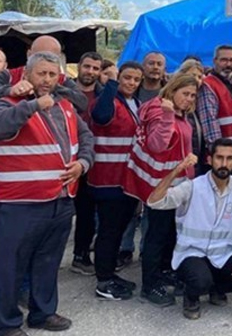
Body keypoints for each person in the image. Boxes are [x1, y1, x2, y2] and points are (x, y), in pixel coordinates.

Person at [0, 51, 95, 334]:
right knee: (8, 266)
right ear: (27, 74)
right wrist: (33, 105)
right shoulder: (6, 103)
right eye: (42, 74)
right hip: (18, 202)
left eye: (53, 74)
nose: (48, 80)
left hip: (60, 198)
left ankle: (43, 313)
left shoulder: (64, 105)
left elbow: (86, 137)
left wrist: (83, 163)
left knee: (47, 262)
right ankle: (3, 324)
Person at [147, 139, 232, 320]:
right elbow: (154, 201)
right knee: (200, 281)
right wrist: (177, 170)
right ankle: (191, 296)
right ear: (210, 160)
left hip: (223, 254)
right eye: (219, 158)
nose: (224, 164)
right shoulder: (193, 186)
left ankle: (217, 288)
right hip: (192, 253)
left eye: (229, 158)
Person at [123, 74, 197, 307]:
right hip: (161, 186)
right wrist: (167, 115)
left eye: (193, 95)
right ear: (172, 90)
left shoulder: (179, 112)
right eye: (185, 93)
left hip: (176, 184)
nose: (189, 99)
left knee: (168, 233)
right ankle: (149, 285)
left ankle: (164, 270)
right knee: (156, 235)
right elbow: (157, 145)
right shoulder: (160, 111)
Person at [88, 61, 144, 301]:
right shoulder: (108, 100)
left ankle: (109, 272)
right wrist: (109, 83)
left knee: (119, 230)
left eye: (136, 80)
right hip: (108, 180)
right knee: (109, 231)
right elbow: (100, 117)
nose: (131, 83)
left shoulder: (135, 103)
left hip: (127, 180)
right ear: (118, 78)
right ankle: (103, 280)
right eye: (127, 77)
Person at [69, 51, 105, 276]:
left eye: (95, 68)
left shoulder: (103, 95)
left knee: (86, 212)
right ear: (79, 67)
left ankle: (81, 255)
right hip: (66, 160)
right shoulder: (64, 92)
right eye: (87, 66)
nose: (90, 72)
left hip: (93, 162)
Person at [0, 36, 88, 113]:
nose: (46, 61)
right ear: (29, 54)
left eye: (51, 58)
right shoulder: (10, 75)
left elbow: (82, 103)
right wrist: (10, 90)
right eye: (40, 56)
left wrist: (53, 87)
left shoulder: (62, 79)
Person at [198, 45, 232, 148]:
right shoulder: (208, 85)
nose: (228, 64)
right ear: (214, 61)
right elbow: (210, 124)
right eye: (224, 60)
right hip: (221, 154)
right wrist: (218, 151)